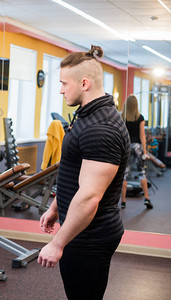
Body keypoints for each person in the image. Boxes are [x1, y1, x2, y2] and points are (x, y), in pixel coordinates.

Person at [37, 45, 130, 300]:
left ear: (85, 83)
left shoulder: (100, 128)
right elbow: (74, 171)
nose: (61, 89)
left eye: (65, 83)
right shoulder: (89, 115)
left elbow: (89, 196)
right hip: (81, 229)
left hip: (90, 235)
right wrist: (56, 207)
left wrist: (57, 243)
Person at [120, 94, 153, 209]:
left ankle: (123, 201)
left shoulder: (122, 117)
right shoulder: (140, 117)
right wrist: (145, 152)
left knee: (124, 174)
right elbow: (142, 136)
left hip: (127, 146)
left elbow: (120, 135)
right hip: (137, 146)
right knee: (141, 172)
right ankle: (147, 199)